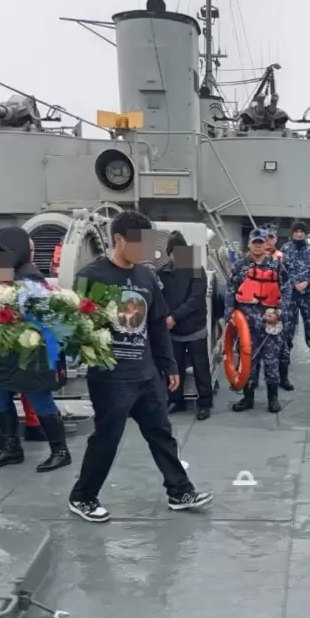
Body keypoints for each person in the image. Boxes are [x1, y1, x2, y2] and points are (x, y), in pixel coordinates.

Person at [68, 210, 213, 522]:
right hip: (111, 376)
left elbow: (157, 324)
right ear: (119, 240)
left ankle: (179, 490)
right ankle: (83, 497)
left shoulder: (147, 276)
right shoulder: (92, 276)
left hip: (145, 373)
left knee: (161, 432)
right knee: (107, 439)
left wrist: (169, 365)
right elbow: (78, 325)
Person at [0, 227, 71, 473]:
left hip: (30, 352)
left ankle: (60, 451)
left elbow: (40, 314)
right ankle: (11, 448)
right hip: (6, 353)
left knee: (39, 399)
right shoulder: (7, 271)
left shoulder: (29, 276)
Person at [225, 228, 289, 414]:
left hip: (270, 323)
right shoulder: (239, 266)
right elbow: (231, 290)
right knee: (248, 363)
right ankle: (248, 398)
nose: (258, 246)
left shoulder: (276, 264)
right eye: (255, 243)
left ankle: (273, 398)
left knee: (271, 362)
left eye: (261, 242)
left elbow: (286, 289)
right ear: (249, 244)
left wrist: (280, 312)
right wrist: (231, 316)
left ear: (266, 244)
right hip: (247, 324)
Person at [158, 231, 213, 420]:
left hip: (194, 328)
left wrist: (174, 316)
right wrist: (165, 317)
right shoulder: (162, 273)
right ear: (169, 253)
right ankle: (176, 400)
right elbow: (158, 299)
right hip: (173, 331)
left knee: (201, 367)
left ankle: (205, 402)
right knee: (175, 367)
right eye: (174, 251)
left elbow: (195, 299)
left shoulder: (197, 269)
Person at [279, 221, 310, 388]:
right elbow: (282, 270)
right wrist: (293, 284)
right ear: (292, 233)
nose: (299, 234)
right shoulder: (285, 249)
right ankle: (285, 357)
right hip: (290, 295)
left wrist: (307, 282)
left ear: (305, 234)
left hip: (307, 294)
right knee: (288, 326)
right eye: (296, 231)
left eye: (301, 231)